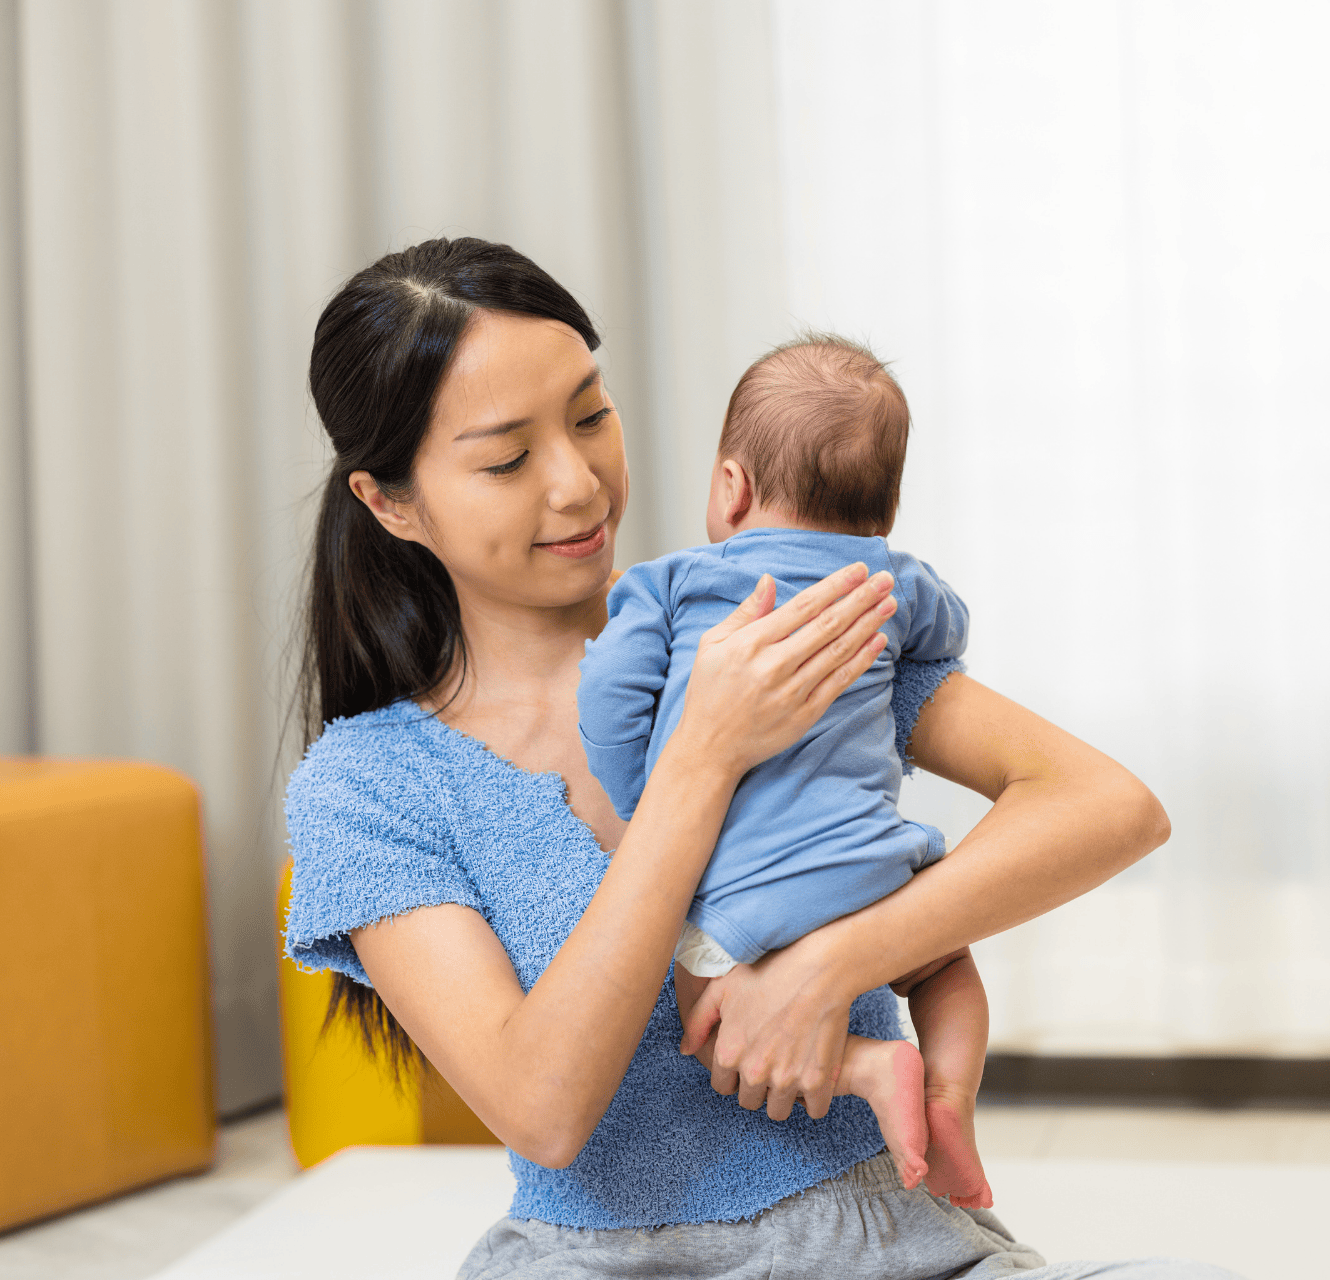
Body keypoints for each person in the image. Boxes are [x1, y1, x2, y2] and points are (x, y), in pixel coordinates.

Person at [283, 236, 1241, 1278]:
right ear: (391, 501)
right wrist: (701, 756)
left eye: (592, 414)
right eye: (508, 458)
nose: (578, 483)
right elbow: (541, 1108)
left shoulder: (770, 618)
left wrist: (839, 961)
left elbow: (1109, 804)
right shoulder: (367, 784)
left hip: (887, 1240)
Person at [576, 334, 990, 1207]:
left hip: (743, 897)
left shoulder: (672, 583)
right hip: (879, 870)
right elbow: (949, 630)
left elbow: (610, 697)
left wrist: (645, 796)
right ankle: (949, 1097)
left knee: (705, 1016)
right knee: (943, 964)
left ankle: (872, 1067)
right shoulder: (887, 579)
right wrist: (891, 594)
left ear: (731, 487)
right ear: (885, 509)